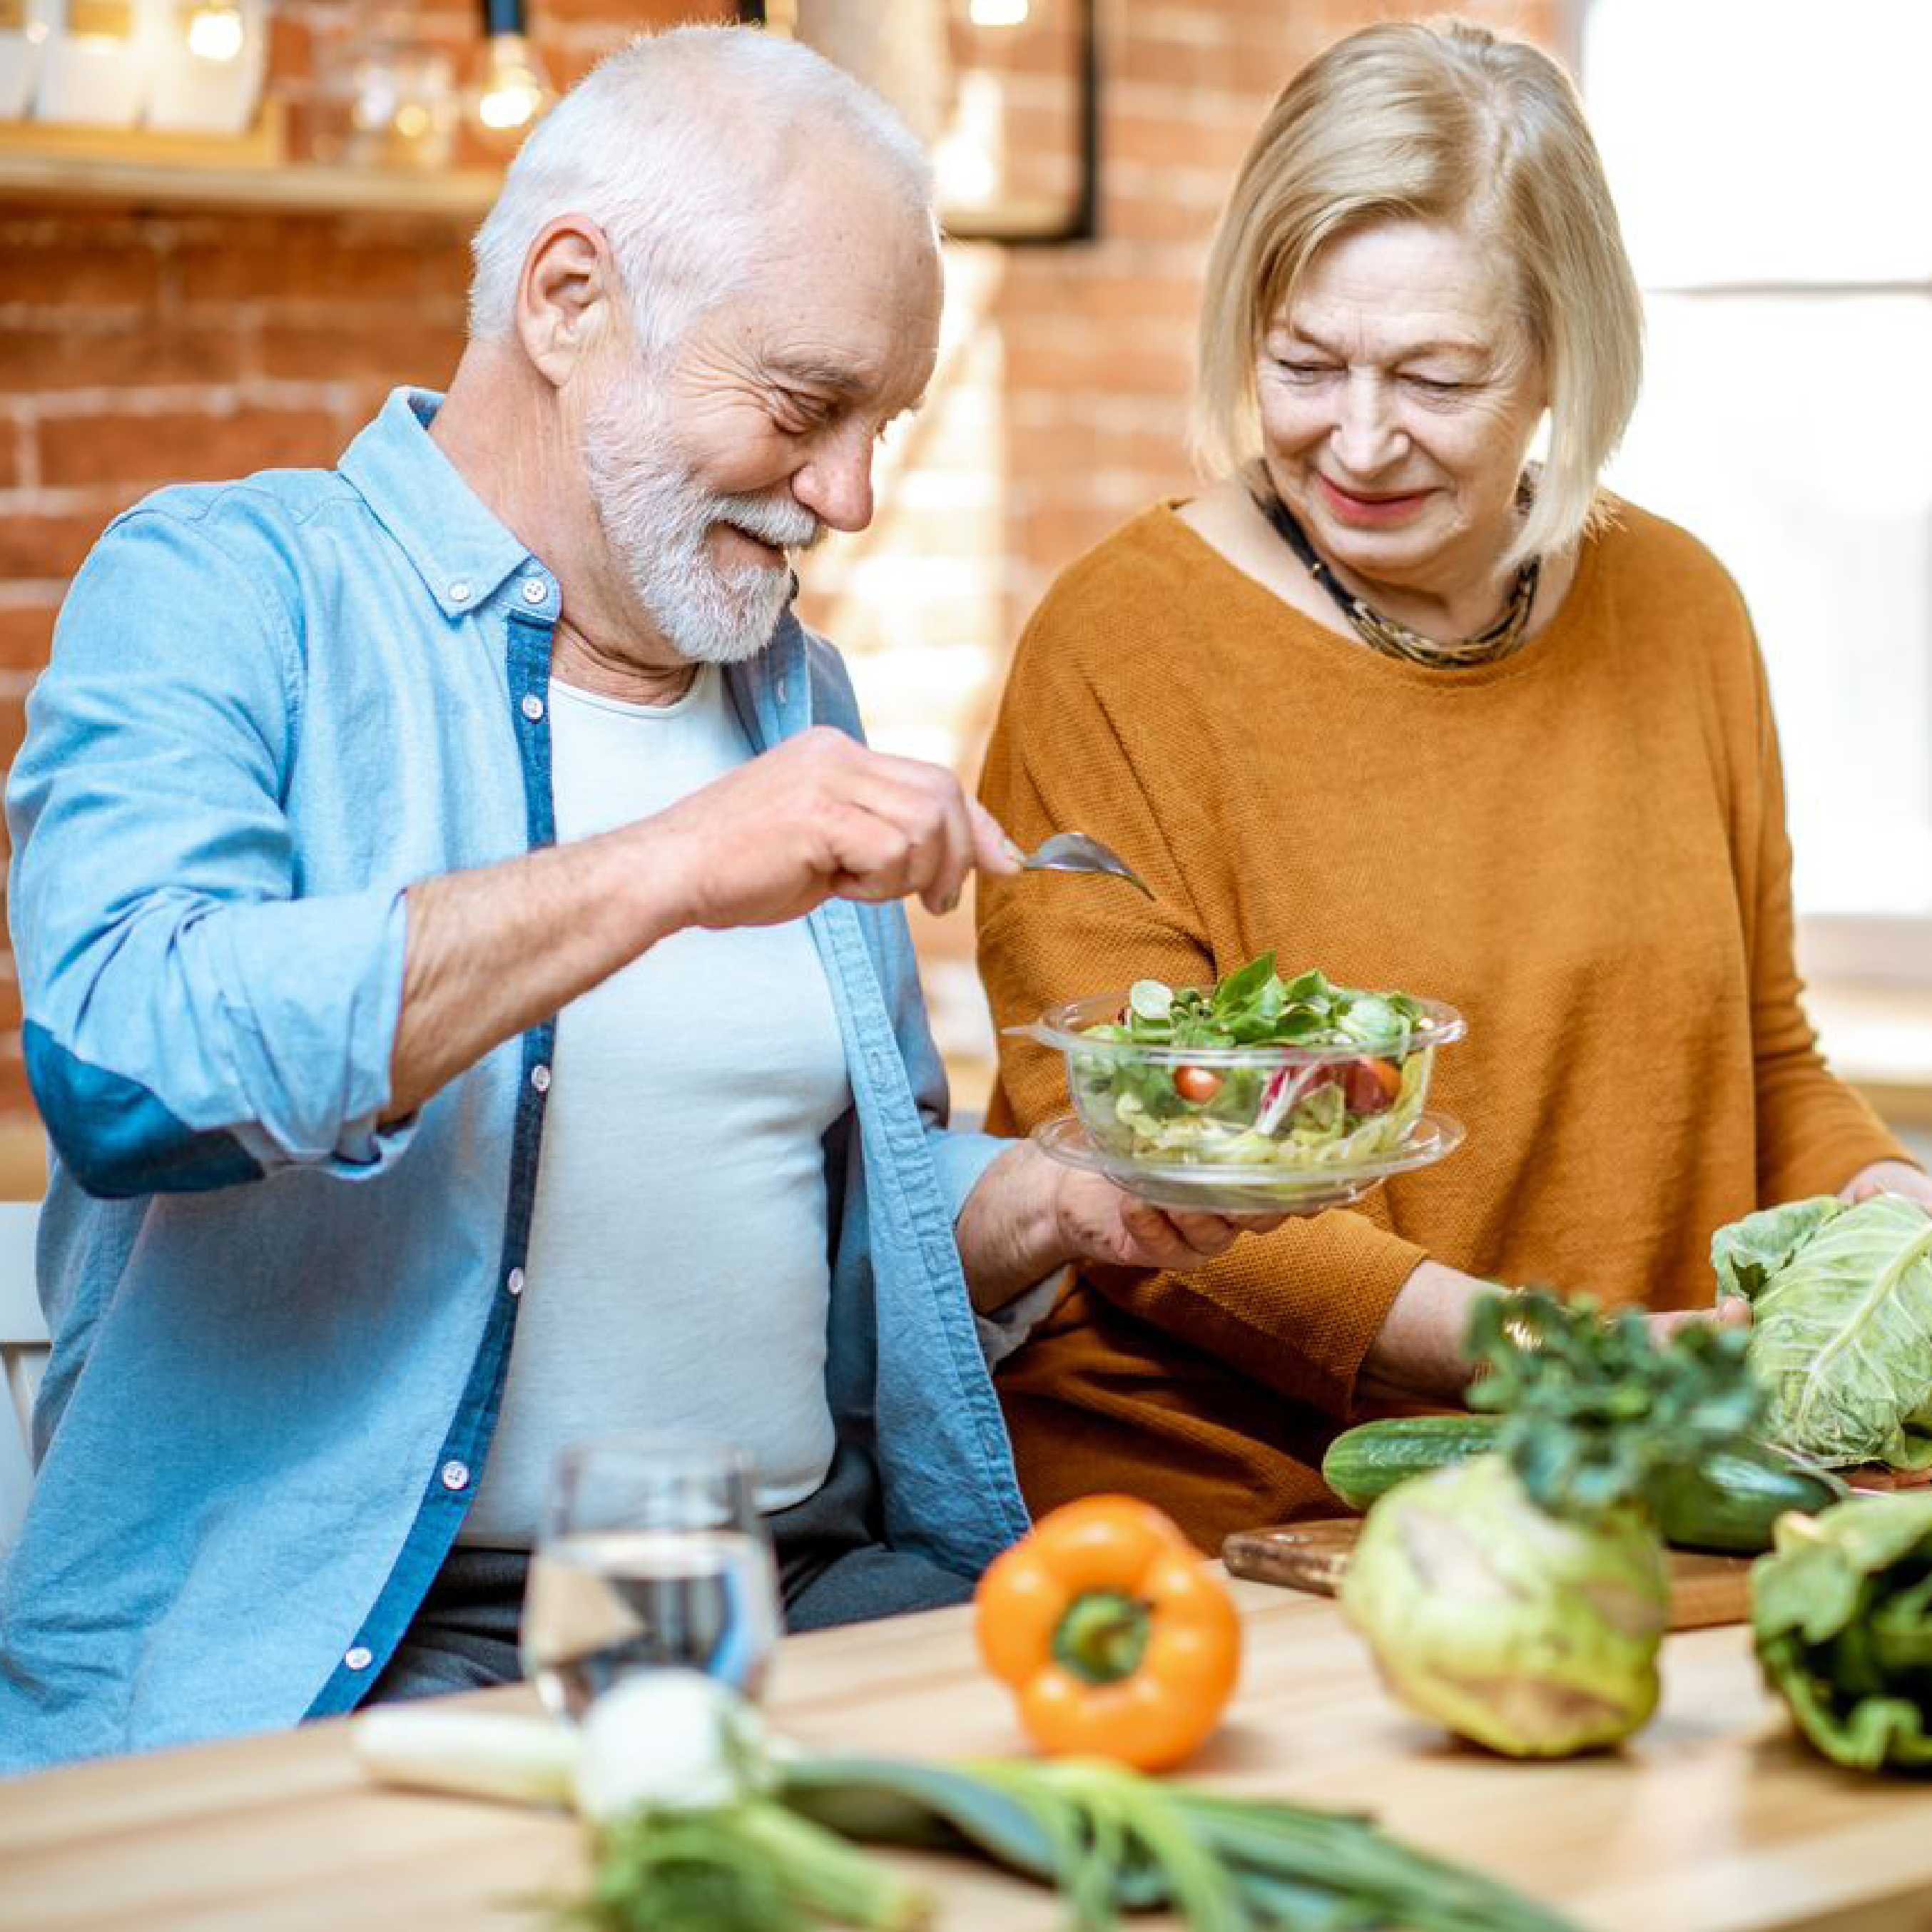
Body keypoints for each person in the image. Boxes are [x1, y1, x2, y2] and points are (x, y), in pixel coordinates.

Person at [0, 26, 1274, 1772]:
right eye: (804, 405)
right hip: (365, 1651)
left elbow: (815, 1207)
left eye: (881, 425)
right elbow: (122, 1058)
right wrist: (667, 868)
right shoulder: (226, 588)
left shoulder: (788, 695)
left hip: (811, 1594)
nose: (850, 495)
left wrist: (1051, 1206)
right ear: (568, 298)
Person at [975, 19, 1931, 1552]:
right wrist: (1556, 1358)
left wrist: (1888, 1220)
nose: (1355, 438)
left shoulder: (1682, 609)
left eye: (1435, 375)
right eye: (1302, 363)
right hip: (1241, 1517)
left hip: (1627, 1487)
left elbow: (1763, 1058)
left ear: (1561, 355)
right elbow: (1127, 1171)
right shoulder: (1119, 643)